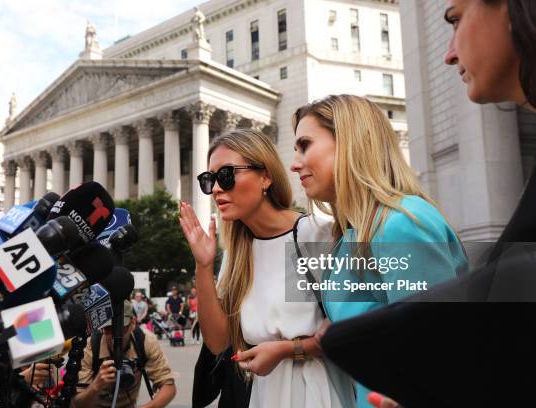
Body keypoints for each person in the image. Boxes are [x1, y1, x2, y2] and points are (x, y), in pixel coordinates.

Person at [316, 1, 536, 407]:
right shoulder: (347, 235)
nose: (448, 52)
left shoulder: (403, 225)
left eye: (455, 19)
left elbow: (443, 353)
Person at [289, 94, 468, 408]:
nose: (294, 163)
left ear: (349, 143)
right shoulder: (352, 233)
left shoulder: (400, 224)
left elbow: (437, 350)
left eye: (305, 145)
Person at [179, 129, 355, 408]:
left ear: (265, 176)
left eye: (226, 175)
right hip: (259, 395)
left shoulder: (317, 235)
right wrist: (203, 265)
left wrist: (288, 350)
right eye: (209, 179)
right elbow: (218, 342)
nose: (215, 189)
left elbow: (352, 326)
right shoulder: (237, 255)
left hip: (317, 392)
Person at [73, 301, 177, 408]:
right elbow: (77, 403)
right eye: (109, 329)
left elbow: (168, 387)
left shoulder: (145, 340)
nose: (115, 336)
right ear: (101, 328)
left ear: (133, 323)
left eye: (120, 328)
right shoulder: (90, 347)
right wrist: (96, 385)